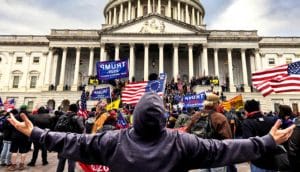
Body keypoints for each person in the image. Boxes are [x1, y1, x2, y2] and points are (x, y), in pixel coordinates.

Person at [8, 93, 295, 172]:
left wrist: (37, 134)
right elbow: (227, 150)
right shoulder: (183, 143)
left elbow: (74, 141)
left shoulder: (112, 141)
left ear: (135, 117)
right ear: (163, 120)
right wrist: (267, 141)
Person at [242, 100, 289, 172]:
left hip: (258, 162)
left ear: (246, 110)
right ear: (259, 108)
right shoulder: (270, 120)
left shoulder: (247, 122)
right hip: (273, 160)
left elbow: (247, 144)